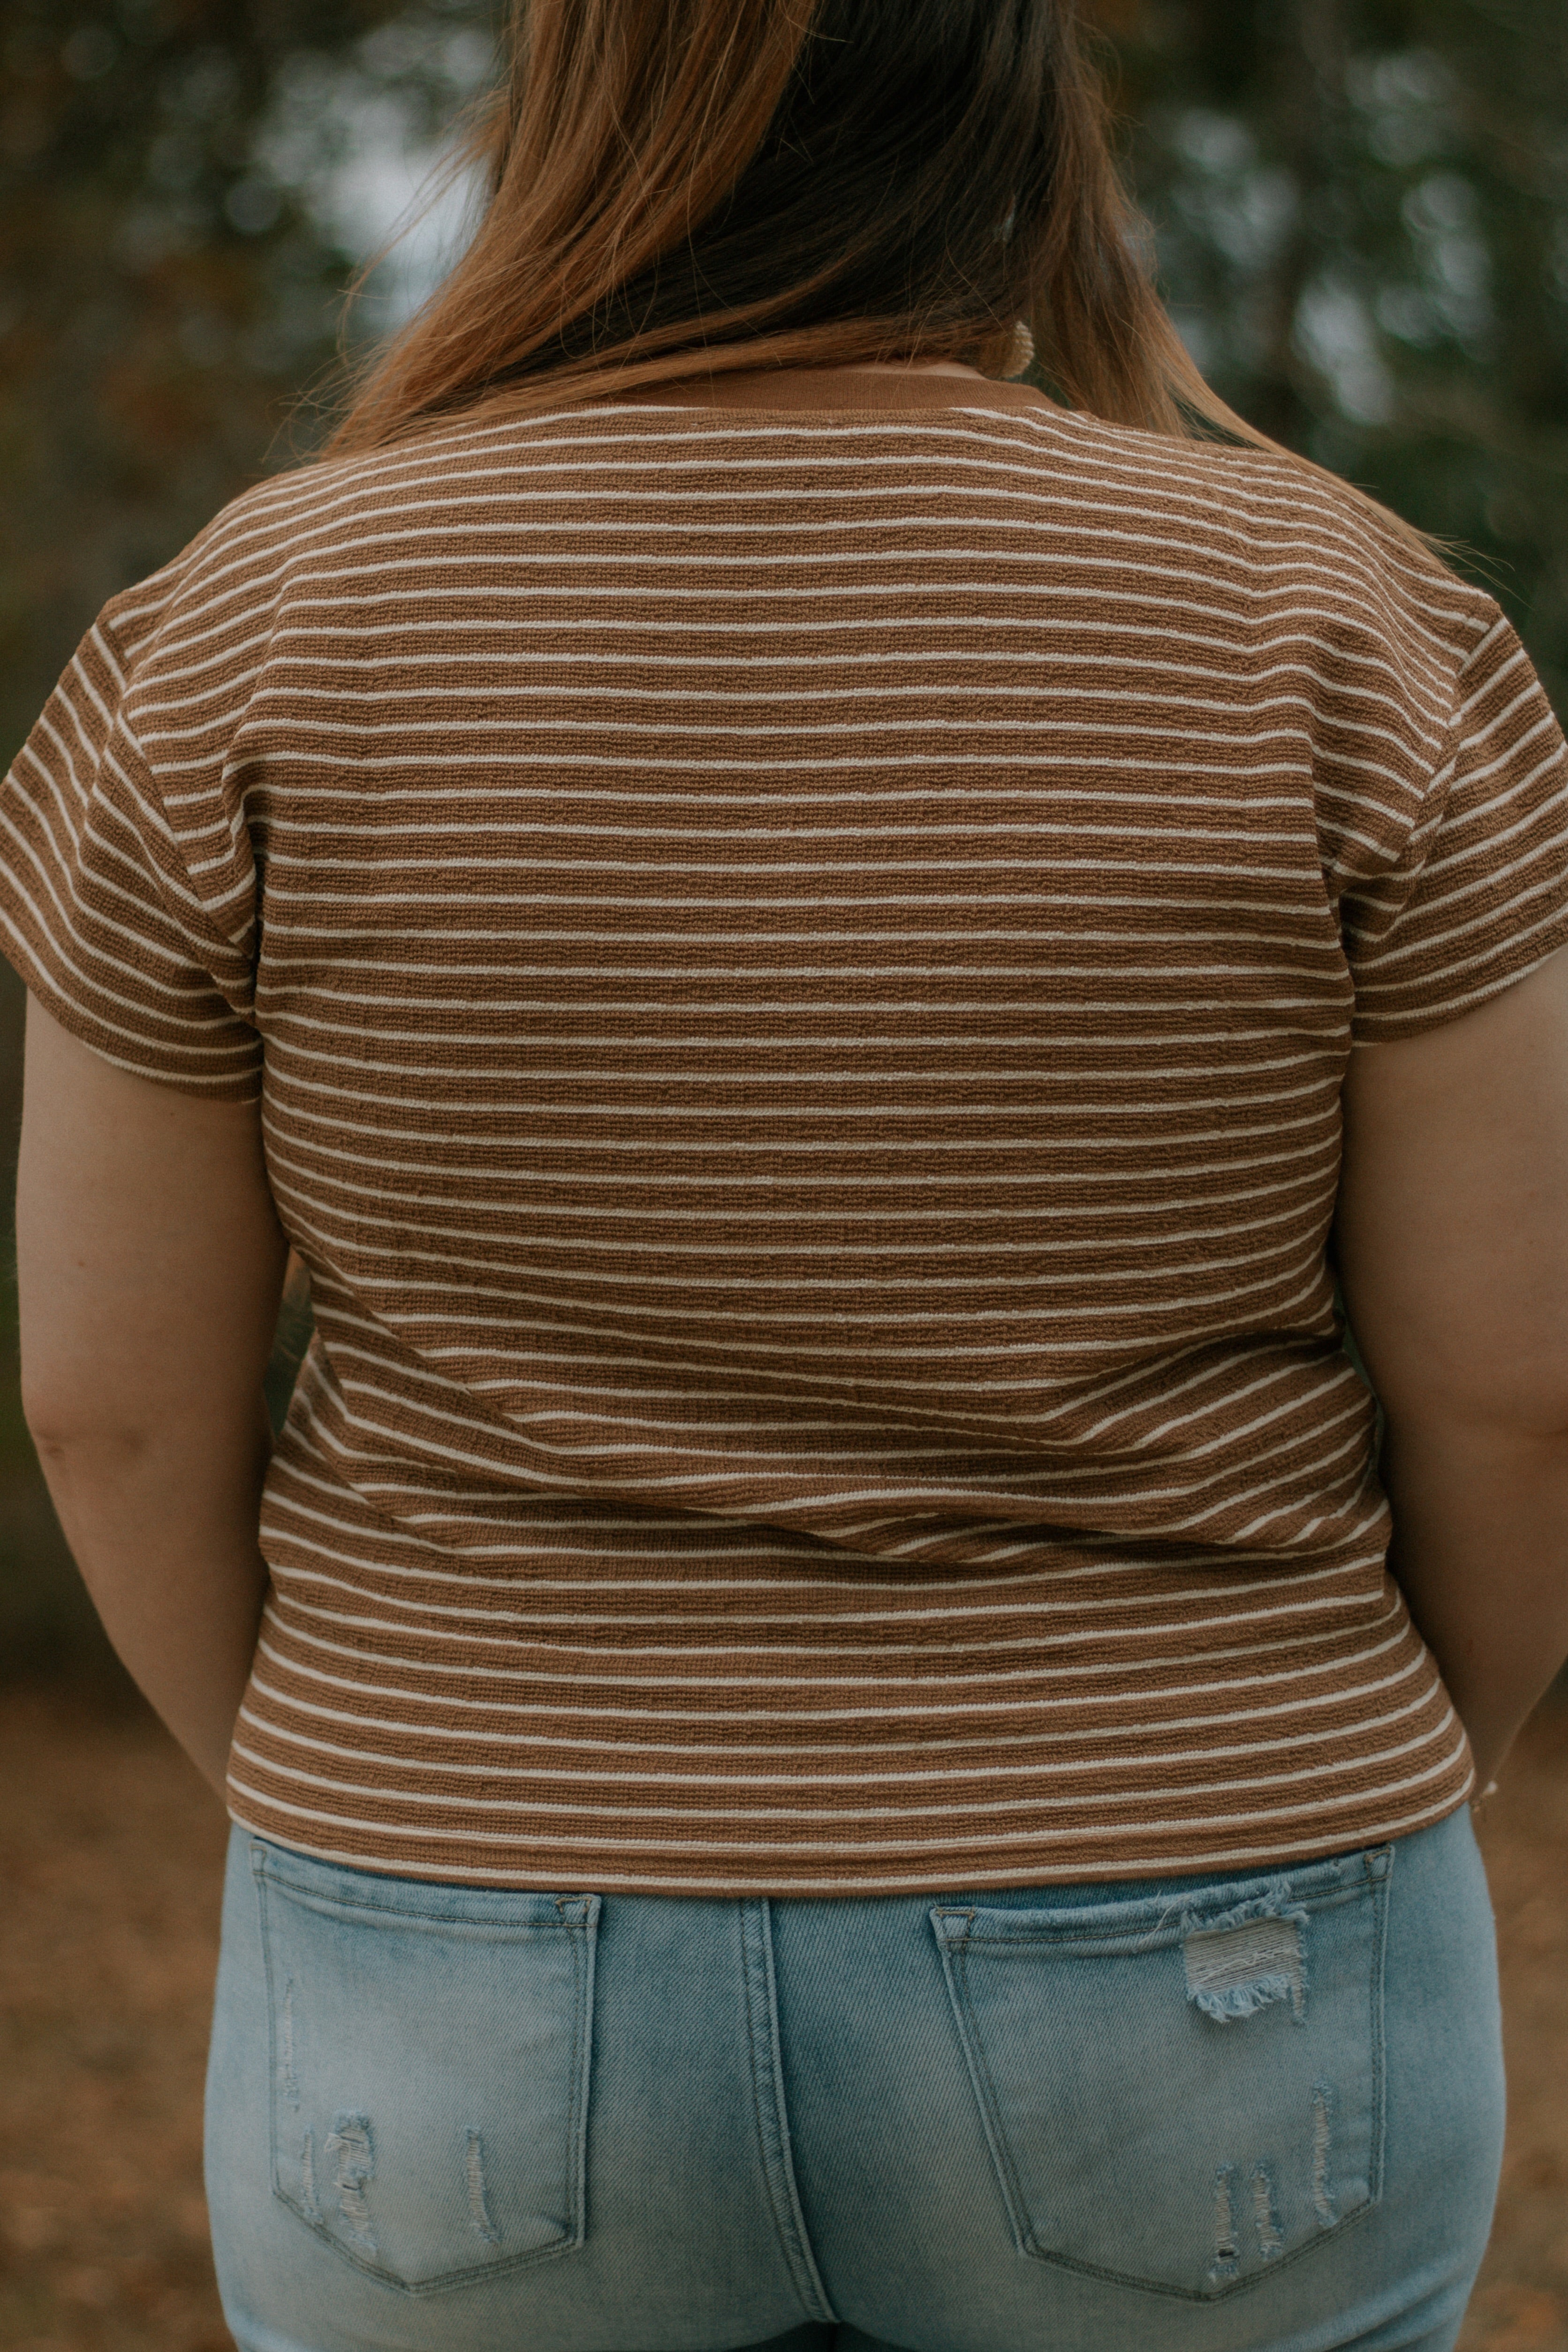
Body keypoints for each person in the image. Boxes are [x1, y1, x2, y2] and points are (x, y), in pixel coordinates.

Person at [8, 2, 1568, 2346]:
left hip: (455, 1947)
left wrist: (400, 1808)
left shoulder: (246, 625)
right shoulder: (1336, 617)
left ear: (571, 128)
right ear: (1023, 123)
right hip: (1209, 1914)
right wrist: (1305, 1767)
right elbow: (1526, 1386)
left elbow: (110, 1407)